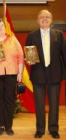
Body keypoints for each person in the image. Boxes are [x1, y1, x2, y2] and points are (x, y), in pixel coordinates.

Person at [25, 9, 66, 139]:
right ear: (38, 20)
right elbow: (29, 54)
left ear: (51, 20)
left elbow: (64, 54)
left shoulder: (59, 35)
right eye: (42, 17)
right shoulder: (32, 35)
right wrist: (29, 60)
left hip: (55, 73)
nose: (44, 19)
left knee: (54, 103)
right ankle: (40, 129)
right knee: (39, 104)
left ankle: (53, 129)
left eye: (47, 17)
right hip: (38, 74)